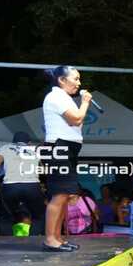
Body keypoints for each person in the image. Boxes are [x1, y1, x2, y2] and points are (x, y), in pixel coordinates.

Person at [42, 65, 93, 251]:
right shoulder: (55, 97)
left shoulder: (65, 98)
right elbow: (76, 119)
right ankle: (50, 239)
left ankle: (58, 237)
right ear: (62, 80)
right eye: (75, 79)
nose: (79, 83)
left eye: (79, 79)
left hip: (68, 148)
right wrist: (85, 102)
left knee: (66, 195)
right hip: (59, 147)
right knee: (59, 194)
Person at [0, 132, 46, 235]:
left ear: (13, 141)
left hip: (10, 185)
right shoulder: (34, 150)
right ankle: (33, 239)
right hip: (32, 185)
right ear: (29, 142)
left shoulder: (4, 148)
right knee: (39, 216)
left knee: (5, 216)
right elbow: (43, 169)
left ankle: (7, 242)